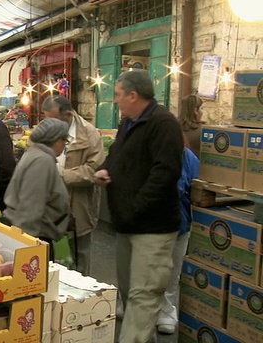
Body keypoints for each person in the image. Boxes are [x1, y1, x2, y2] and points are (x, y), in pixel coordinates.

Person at [93, 70, 183, 343]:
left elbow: (165, 174)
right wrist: (106, 170)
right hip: (128, 225)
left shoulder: (163, 124)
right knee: (131, 291)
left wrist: (135, 209)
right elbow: (116, 155)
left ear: (133, 95)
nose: (116, 101)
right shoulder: (129, 123)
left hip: (152, 228)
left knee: (145, 293)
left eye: (118, 95)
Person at [42, 96, 105, 276]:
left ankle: (80, 300)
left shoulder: (89, 134)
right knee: (55, 259)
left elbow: (95, 169)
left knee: (80, 258)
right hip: (51, 210)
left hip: (79, 208)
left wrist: (62, 175)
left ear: (68, 115)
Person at [4, 118, 71, 251]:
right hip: (36, 238)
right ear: (57, 140)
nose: (64, 145)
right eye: (65, 141)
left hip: (32, 236)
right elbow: (31, 209)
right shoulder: (42, 161)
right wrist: (29, 250)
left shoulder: (34, 155)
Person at [156, 138, 199, 334]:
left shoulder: (187, 157)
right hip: (148, 225)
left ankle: (166, 311)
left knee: (172, 272)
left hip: (178, 224)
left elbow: (197, 188)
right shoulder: (147, 152)